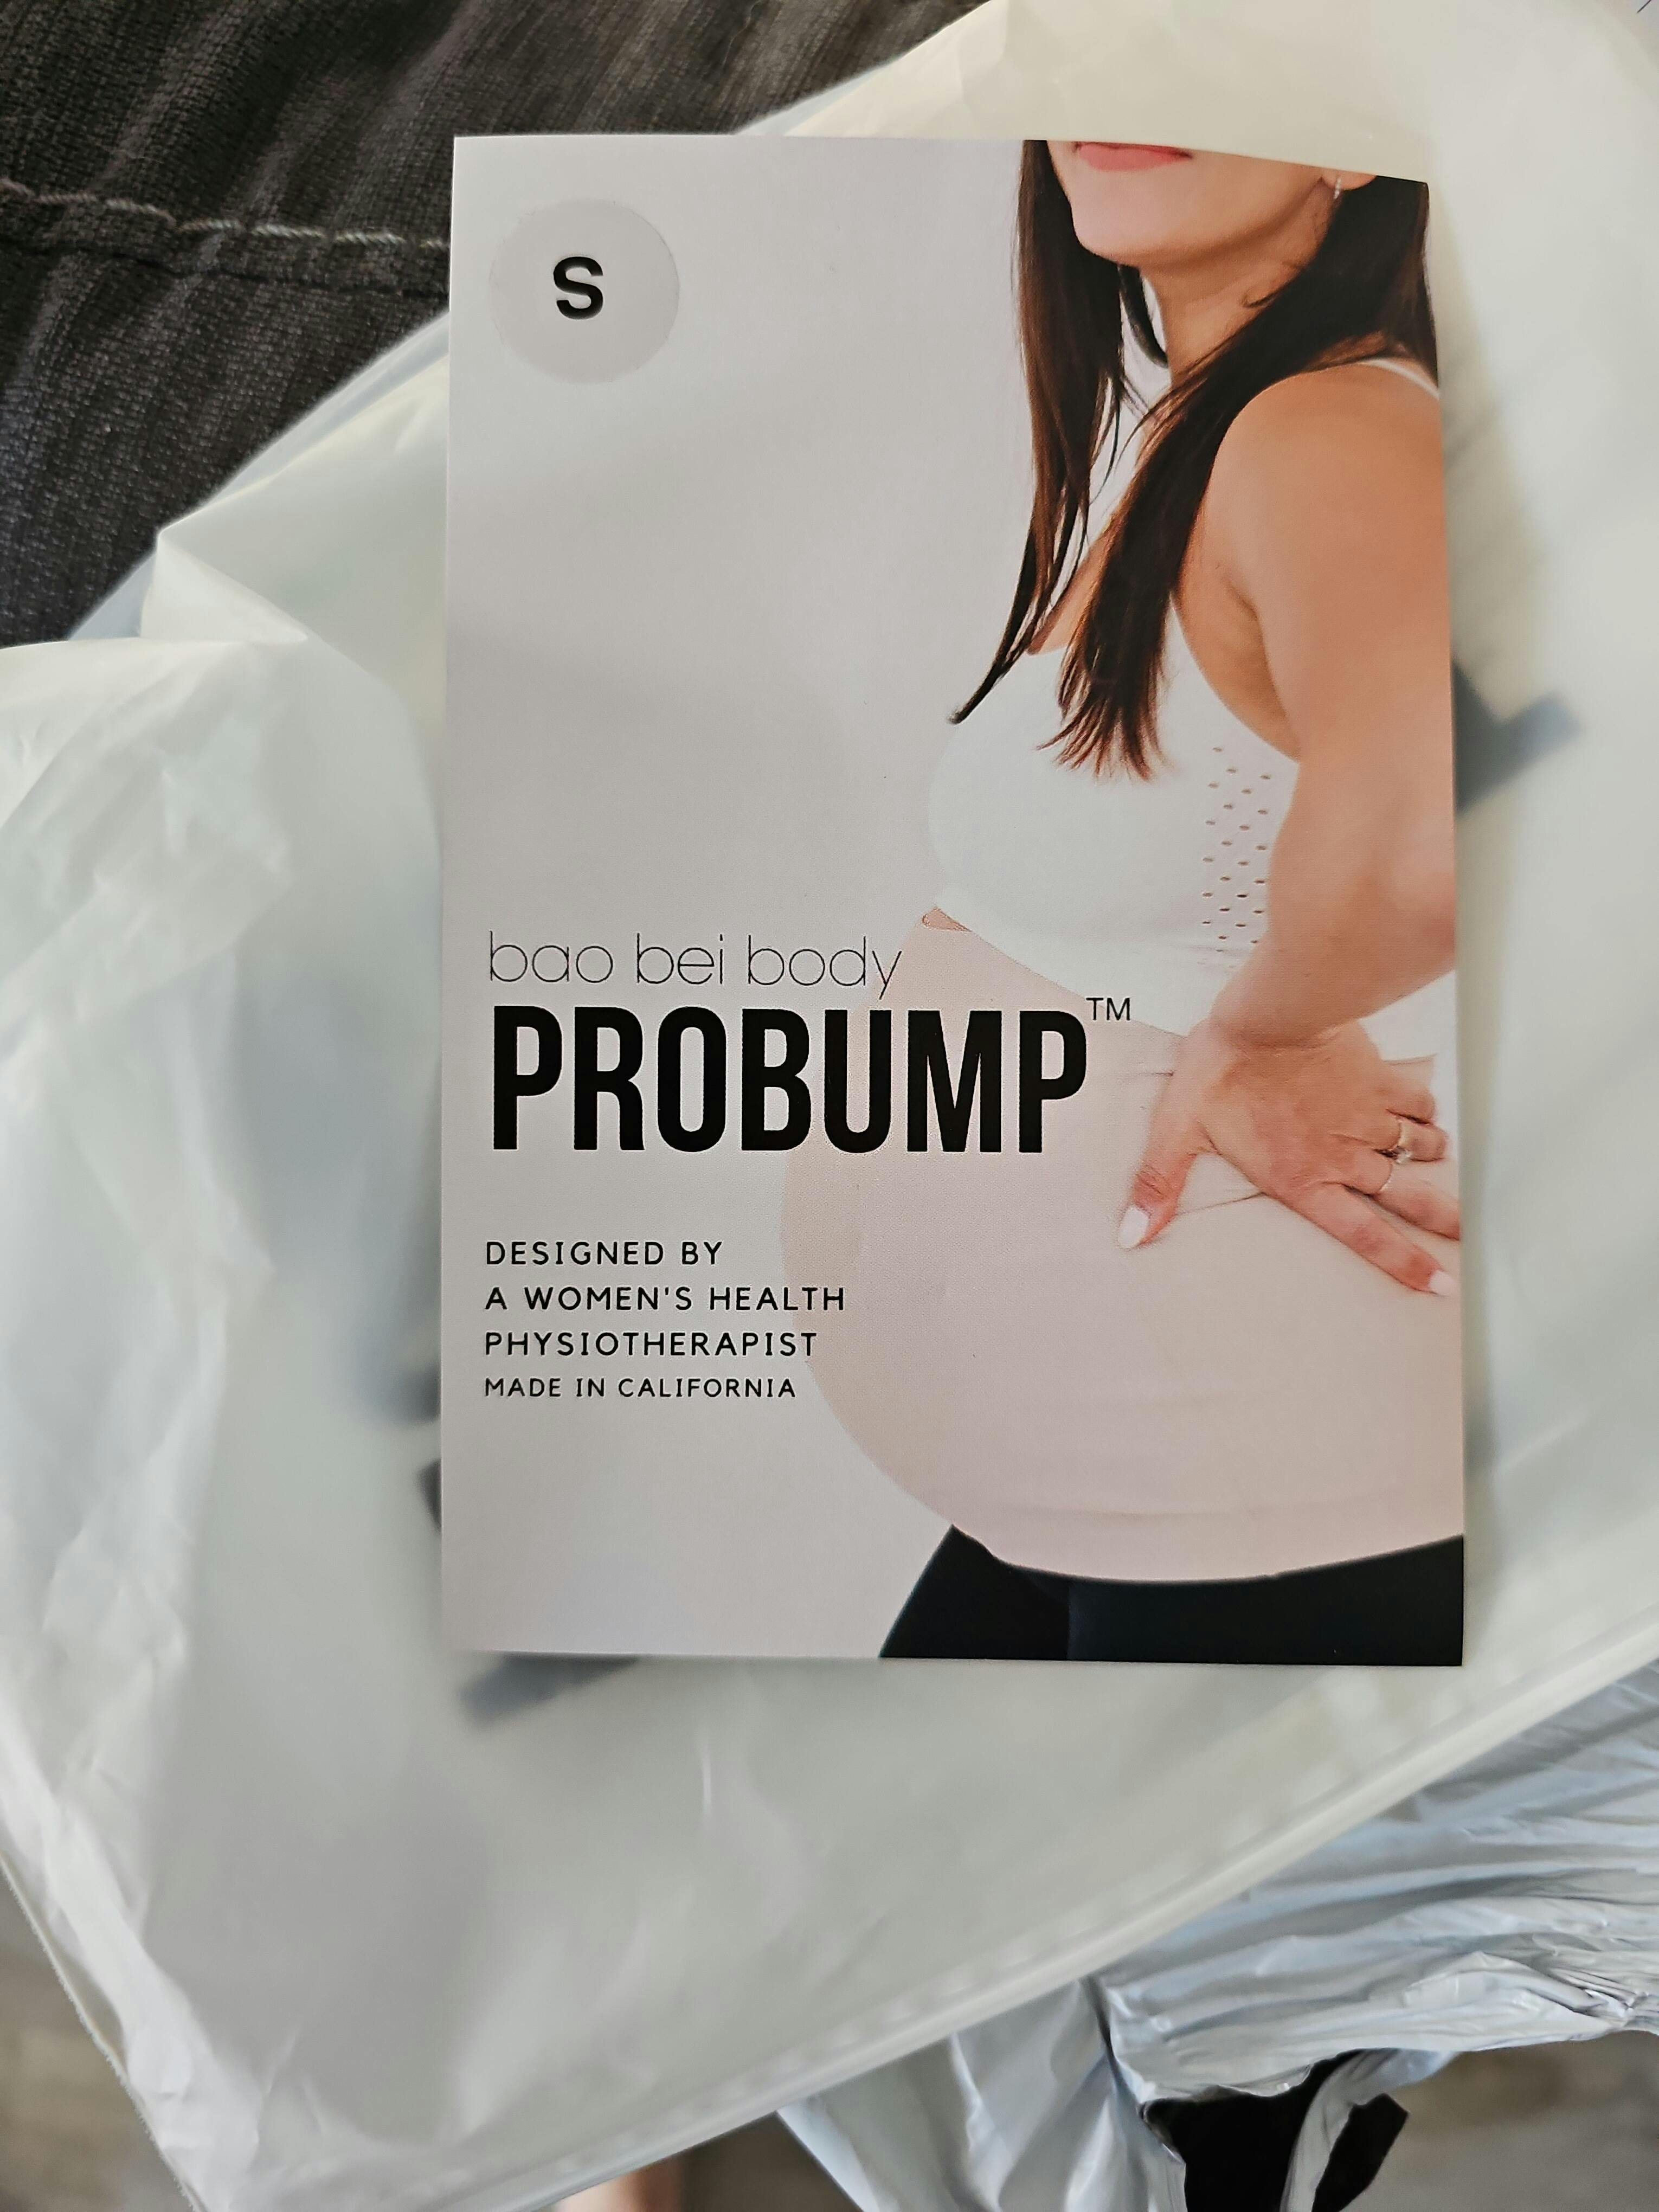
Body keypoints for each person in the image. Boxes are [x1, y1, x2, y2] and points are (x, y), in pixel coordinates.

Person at [782, 140, 1463, 1663]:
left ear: (1359, 136)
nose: (1123, 93)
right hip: (1119, 1460)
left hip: (1253, 1460)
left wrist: (1264, 1030)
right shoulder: (1207, 431)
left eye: (1207, 44)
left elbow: (1419, 848)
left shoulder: (1330, 428)